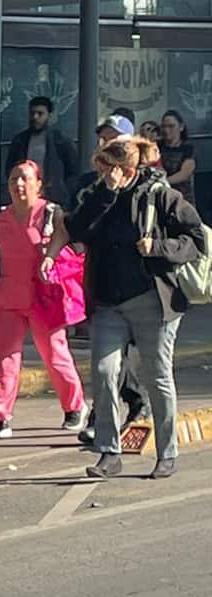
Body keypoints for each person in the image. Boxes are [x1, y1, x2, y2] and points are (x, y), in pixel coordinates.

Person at [47, 135, 205, 480]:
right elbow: (76, 229)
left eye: (108, 169)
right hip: (108, 302)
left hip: (152, 299)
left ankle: (167, 453)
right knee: (104, 372)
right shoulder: (97, 194)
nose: (102, 174)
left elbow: (196, 239)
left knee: (157, 376)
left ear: (127, 169)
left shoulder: (160, 195)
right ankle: (109, 451)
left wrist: (159, 247)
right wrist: (105, 193)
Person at [0, 160, 86, 439]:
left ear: (38, 184)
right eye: (13, 179)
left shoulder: (51, 214)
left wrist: (51, 257)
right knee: (3, 359)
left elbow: (75, 248)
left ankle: (74, 407)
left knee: (55, 355)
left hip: (43, 297)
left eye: (25, 178)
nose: (18, 184)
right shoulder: (0, 218)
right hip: (9, 296)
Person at [70, 114, 151, 446]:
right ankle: (133, 404)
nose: (106, 145)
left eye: (114, 140)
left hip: (141, 287)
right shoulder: (91, 185)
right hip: (103, 283)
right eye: (103, 139)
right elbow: (77, 226)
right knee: (109, 359)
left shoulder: (148, 184)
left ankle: (112, 414)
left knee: (123, 356)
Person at [5, 97, 79, 205]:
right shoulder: (20, 141)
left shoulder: (61, 141)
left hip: (54, 198)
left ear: (49, 116)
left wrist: (65, 192)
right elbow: (10, 169)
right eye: (32, 113)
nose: (35, 117)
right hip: (26, 196)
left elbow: (73, 172)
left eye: (40, 114)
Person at [159, 110, 197, 206]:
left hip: (183, 199)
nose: (167, 130)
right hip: (162, 198)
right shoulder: (157, 147)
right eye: (164, 126)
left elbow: (184, 174)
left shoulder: (188, 148)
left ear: (181, 127)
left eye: (171, 126)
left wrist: (163, 182)